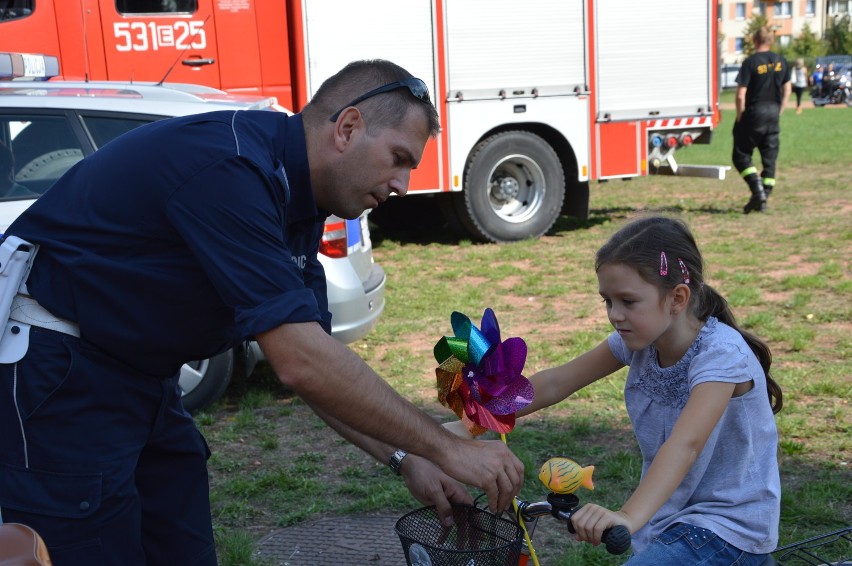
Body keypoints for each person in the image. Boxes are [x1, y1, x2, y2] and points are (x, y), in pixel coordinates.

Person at [0, 59, 524, 565]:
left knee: (181, 542)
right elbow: (302, 361)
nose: (402, 185)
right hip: (60, 370)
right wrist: (449, 450)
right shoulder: (232, 168)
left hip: (139, 376)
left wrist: (408, 457)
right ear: (347, 127)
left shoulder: (300, 196)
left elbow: (315, 365)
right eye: (399, 158)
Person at [449, 215, 783, 564]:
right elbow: (555, 382)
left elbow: (685, 446)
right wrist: (471, 423)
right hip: (669, 519)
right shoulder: (639, 342)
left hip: (728, 527)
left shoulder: (721, 357)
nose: (614, 314)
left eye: (628, 301)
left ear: (678, 298)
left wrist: (627, 516)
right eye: (607, 300)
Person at [732, 26, 792, 214]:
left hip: (753, 114)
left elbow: (741, 95)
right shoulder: (781, 61)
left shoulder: (750, 62)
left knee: (740, 155)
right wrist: (780, 109)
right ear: (771, 41)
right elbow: (787, 89)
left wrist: (740, 115)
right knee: (769, 160)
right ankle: (763, 198)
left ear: (754, 40)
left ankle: (757, 191)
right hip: (773, 114)